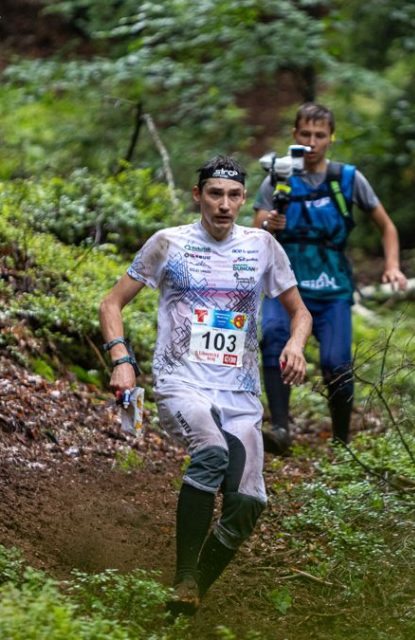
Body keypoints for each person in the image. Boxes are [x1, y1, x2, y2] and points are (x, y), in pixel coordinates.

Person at [99, 155, 312, 616]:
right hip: (182, 384)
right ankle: (184, 576)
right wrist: (122, 360)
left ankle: (193, 595)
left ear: (242, 199)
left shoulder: (262, 247)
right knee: (212, 453)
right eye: (215, 194)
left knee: (249, 503)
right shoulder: (168, 244)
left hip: (239, 395)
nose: (225, 204)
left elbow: (301, 311)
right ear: (198, 196)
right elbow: (111, 303)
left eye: (234, 195)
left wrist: (295, 345)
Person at [253, 103, 407, 453]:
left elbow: (387, 226)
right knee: (275, 337)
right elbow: (254, 232)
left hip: (332, 286)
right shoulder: (278, 177)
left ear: (331, 138)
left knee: (336, 363)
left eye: (319, 135)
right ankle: (279, 428)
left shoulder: (347, 179)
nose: (312, 143)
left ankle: (341, 440)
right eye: (305, 135)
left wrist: (393, 265)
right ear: (294, 136)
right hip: (285, 284)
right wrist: (268, 225)